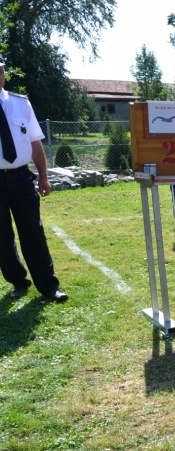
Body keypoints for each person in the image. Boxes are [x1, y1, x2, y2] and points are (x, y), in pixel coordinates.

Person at [0, 54, 67, 302]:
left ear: (4, 74)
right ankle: (18, 281)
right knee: (2, 238)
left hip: (21, 177)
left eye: (0, 71)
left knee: (33, 233)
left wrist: (44, 177)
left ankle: (49, 286)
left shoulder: (20, 103)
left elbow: (36, 143)